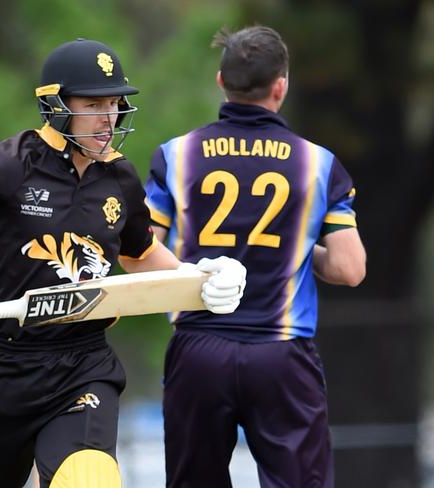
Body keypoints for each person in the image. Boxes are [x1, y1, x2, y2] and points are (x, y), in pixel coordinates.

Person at [0, 38, 247, 488]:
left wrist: (197, 278)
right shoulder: (9, 163)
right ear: (55, 105)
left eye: (115, 103)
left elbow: (140, 255)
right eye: (94, 103)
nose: (109, 117)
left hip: (84, 364)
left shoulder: (119, 175)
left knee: (89, 478)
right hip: (6, 367)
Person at [145, 26, 367, 488]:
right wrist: (300, 248)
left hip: (198, 350)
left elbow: (142, 252)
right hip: (281, 352)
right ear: (281, 85)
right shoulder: (318, 164)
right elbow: (349, 269)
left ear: (221, 80)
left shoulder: (176, 154)